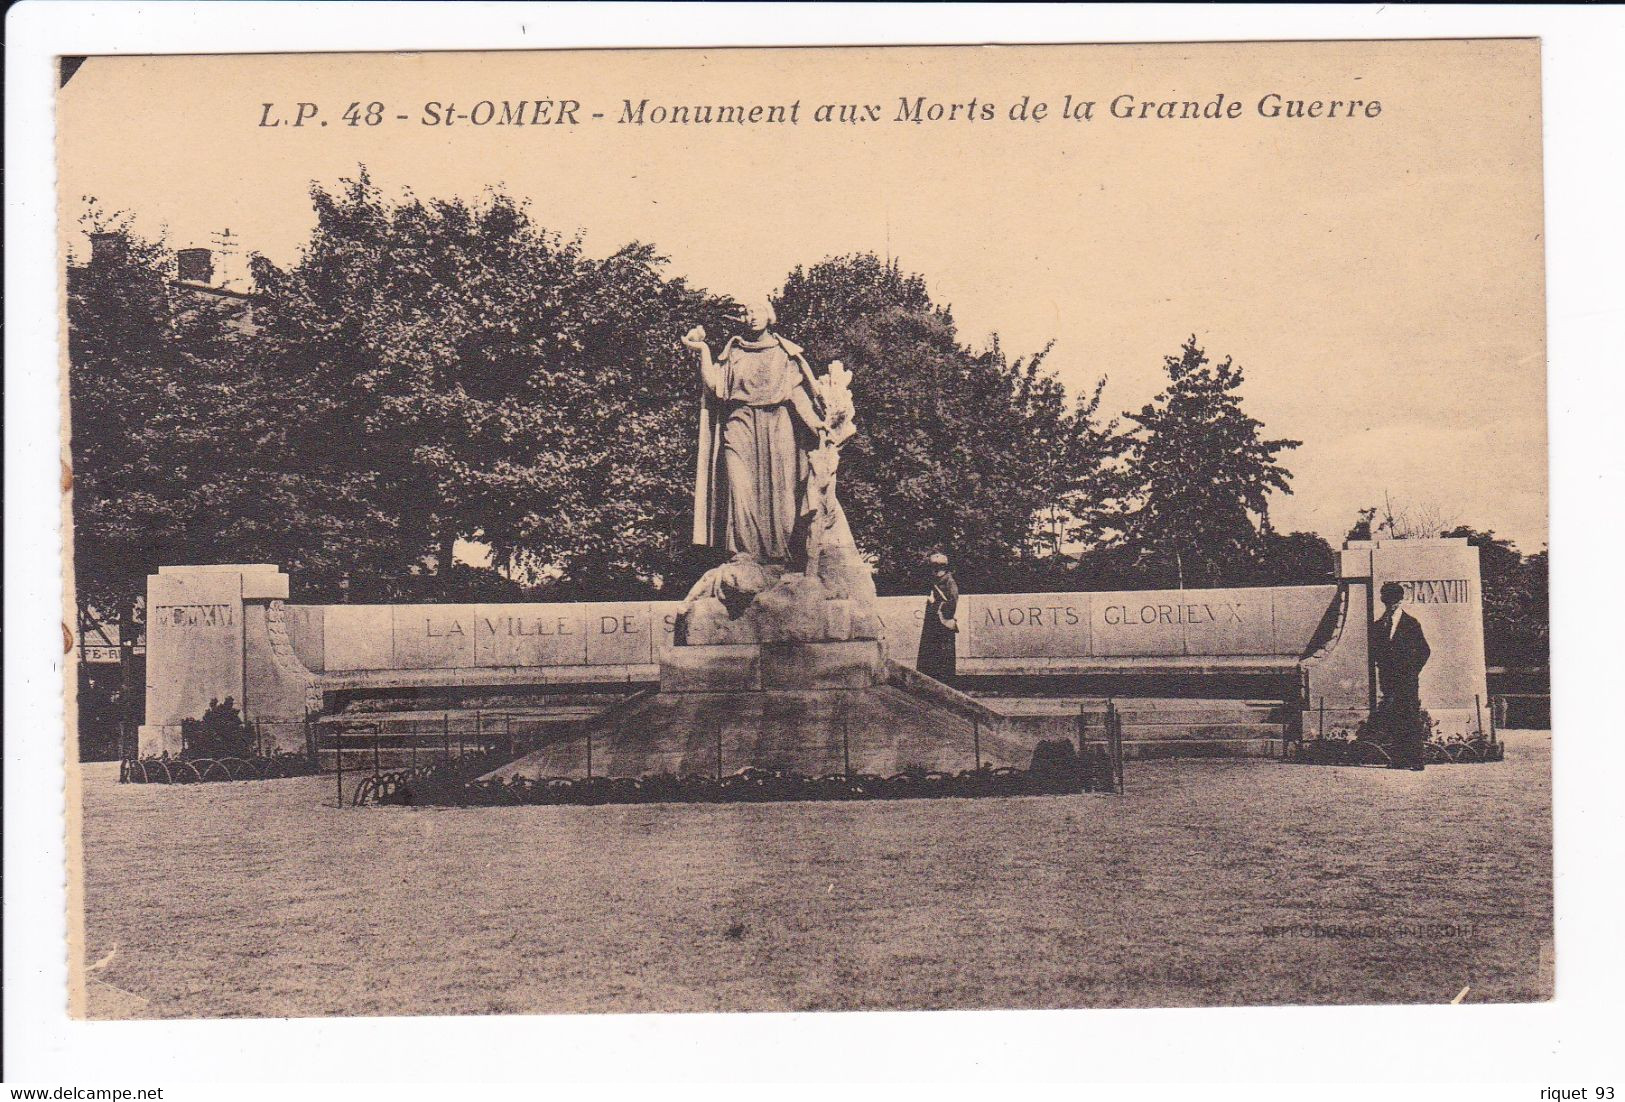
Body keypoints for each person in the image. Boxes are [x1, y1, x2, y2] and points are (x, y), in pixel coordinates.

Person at [683, 300, 825, 565]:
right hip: (740, 423)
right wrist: (702, 350)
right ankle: (744, 556)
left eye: (757, 311)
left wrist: (815, 423)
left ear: (769, 316)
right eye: (747, 313)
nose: (751, 317)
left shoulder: (784, 353)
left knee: (782, 496)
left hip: (777, 424)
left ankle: (780, 560)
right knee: (740, 489)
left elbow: (796, 392)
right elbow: (715, 386)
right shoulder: (734, 352)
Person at [1371, 581, 1431, 770]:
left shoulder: (1411, 623)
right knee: (1394, 718)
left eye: (1393, 601)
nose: (1390, 605)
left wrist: (1411, 671)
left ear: (1399, 600)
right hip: (1389, 680)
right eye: (1387, 601)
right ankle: (1398, 759)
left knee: (1411, 717)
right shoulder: (1379, 625)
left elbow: (1424, 650)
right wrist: (1382, 667)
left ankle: (1416, 759)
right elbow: (1375, 652)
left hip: (1407, 679)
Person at [917, 552, 960, 683]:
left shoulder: (949, 582)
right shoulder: (935, 582)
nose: (934, 571)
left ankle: (945, 681)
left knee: (944, 655)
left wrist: (934, 603)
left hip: (943, 623)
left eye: (936, 568)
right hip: (934, 623)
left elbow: (952, 602)